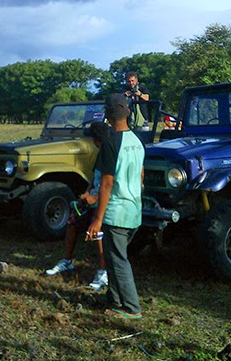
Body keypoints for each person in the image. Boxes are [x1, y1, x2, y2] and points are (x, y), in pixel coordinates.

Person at [86, 93, 145, 319]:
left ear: (107, 116)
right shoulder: (137, 142)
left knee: (118, 260)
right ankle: (115, 301)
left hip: (116, 213)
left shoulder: (111, 143)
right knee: (112, 257)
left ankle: (131, 308)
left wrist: (98, 219)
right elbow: (141, 174)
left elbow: (107, 183)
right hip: (133, 210)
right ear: (129, 112)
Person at [45, 121, 111, 290]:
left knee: (97, 231)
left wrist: (95, 198)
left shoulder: (110, 154)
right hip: (93, 197)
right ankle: (67, 261)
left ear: (97, 140)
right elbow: (94, 179)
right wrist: (86, 194)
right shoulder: (100, 154)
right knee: (72, 222)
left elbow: (110, 184)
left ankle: (103, 272)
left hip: (105, 201)